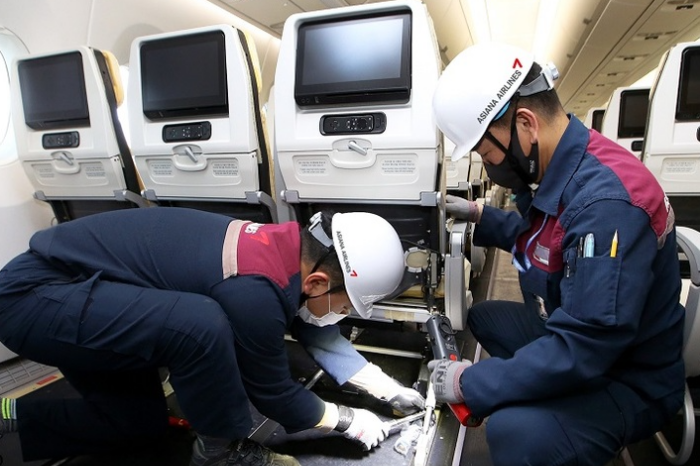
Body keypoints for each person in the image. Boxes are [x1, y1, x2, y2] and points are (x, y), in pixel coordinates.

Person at [0, 207, 424, 466]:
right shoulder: (254, 288)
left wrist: (381, 387)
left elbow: (308, 325)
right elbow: (276, 396)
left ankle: (9, 415)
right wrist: (348, 421)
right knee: (199, 325)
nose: (342, 315)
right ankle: (221, 456)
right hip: (35, 299)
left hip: (83, 295)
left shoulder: (289, 250)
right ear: (315, 282)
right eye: (346, 305)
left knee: (137, 424)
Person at [428, 42, 685, 466]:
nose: (489, 165)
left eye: (486, 152)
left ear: (525, 124)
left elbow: (584, 346)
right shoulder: (568, 168)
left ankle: (552, 418)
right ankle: (542, 394)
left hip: (627, 375)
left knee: (514, 431)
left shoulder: (606, 206)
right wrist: (478, 213)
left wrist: (471, 383)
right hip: (576, 329)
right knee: (484, 318)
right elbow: (544, 241)